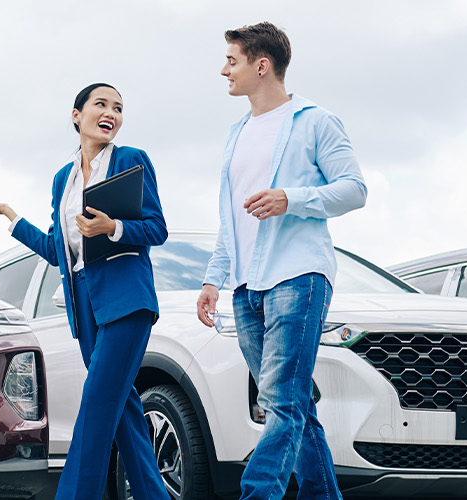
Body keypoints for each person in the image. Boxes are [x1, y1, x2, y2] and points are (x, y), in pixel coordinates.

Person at [0, 82, 169, 500]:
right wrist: (10, 214)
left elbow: (157, 229)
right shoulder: (63, 178)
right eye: (101, 104)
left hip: (127, 300)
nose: (111, 112)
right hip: (86, 307)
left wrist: (112, 227)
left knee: (96, 404)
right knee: (123, 410)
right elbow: (58, 252)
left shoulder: (132, 160)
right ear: (77, 115)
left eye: (118, 107)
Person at [194, 22, 367, 500]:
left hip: (299, 276)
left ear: (261, 65)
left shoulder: (314, 121)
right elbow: (231, 220)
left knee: (281, 402)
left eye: (232, 60)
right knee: (292, 402)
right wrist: (215, 279)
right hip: (247, 288)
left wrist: (293, 198)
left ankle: (258, 493)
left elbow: (354, 189)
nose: (223, 70)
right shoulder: (237, 135)